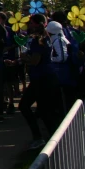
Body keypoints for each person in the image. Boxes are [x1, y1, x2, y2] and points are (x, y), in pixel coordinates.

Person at [16, 15, 65, 150]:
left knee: (31, 108)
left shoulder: (39, 40)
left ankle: (44, 139)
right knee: (45, 112)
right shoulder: (44, 37)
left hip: (42, 79)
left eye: (31, 23)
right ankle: (52, 141)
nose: (29, 26)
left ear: (37, 24)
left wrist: (24, 58)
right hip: (44, 78)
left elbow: (35, 61)